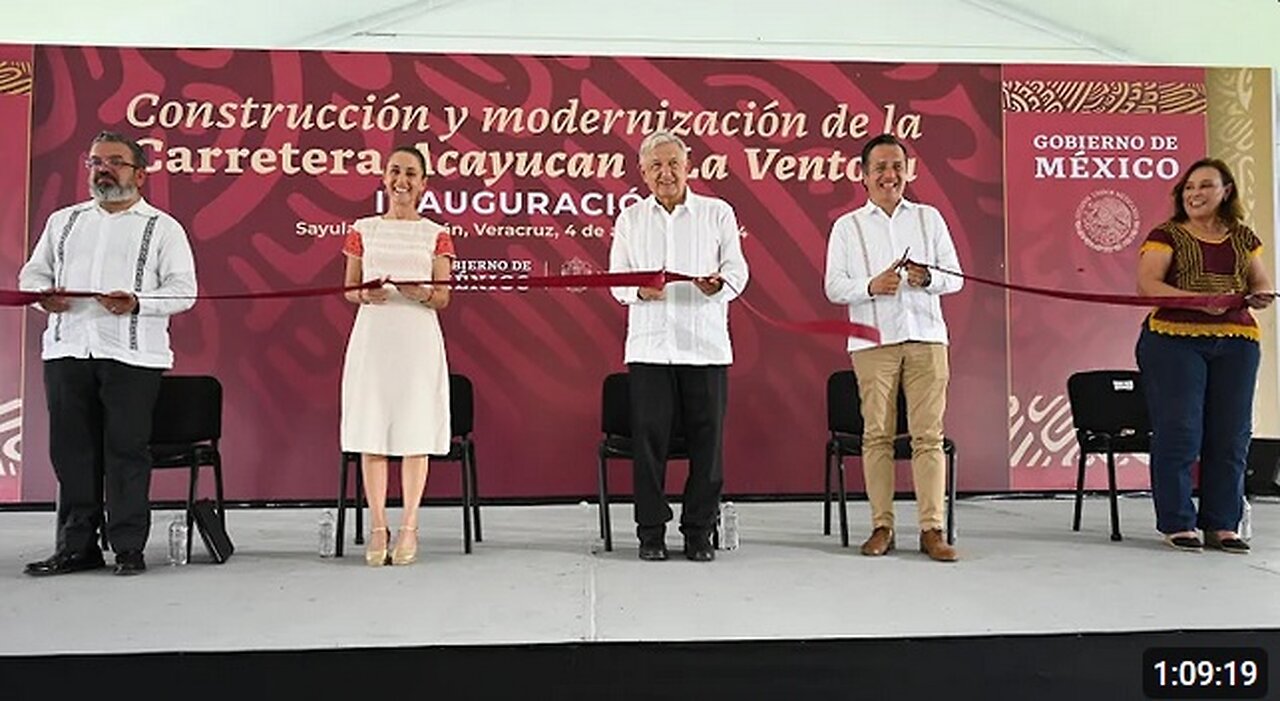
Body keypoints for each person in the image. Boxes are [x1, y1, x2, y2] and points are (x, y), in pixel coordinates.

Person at [19, 130, 197, 576]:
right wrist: (45, 296)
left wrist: (137, 301)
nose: (103, 169)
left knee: (126, 452)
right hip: (67, 349)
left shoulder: (162, 227)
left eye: (115, 161)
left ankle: (128, 546)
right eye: (96, 161)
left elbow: (184, 290)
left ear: (139, 173)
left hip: (132, 356)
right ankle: (76, 546)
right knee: (72, 453)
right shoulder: (64, 222)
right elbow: (32, 274)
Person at [609, 130, 749, 562]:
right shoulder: (631, 218)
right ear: (643, 173)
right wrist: (638, 291)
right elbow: (618, 280)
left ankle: (698, 532)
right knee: (649, 446)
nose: (665, 173)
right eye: (656, 166)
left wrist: (718, 286)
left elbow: (738, 273)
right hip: (650, 349)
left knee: (708, 446)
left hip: (705, 347)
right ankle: (651, 533)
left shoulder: (717, 212)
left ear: (689, 166)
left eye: (673, 164)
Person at [823, 133, 964, 562]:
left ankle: (932, 530)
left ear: (908, 171)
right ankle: (882, 526)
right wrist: (871, 286)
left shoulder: (928, 218)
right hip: (873, 342)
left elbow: (954, 277)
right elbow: (833, 287)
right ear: (862, 175)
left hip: (926, 337)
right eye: (880, 167)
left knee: (928, 437)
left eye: (897, 166)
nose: (890, 175)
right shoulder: (847, 226)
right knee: (877, 436)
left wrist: (928, 279)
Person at [1136, 157, 1272, 554]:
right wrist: (1199, 302)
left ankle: (1222, 524)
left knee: (1231, 434)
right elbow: (1147, 285)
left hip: (1237, 340)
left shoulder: (1243, 237)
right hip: (1174, 340)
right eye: (1189, 187)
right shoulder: (1167, 234)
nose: (1194, 193)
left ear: (1226, 191)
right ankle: (1178, 522)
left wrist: (1260, 296)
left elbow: (1260, 281)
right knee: (1180, 431)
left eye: (1205, 186)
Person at [340, 145, 454, 567]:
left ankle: (409, 526)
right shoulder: (363, 229)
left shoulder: (435, 232)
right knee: (373, 427)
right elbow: (349, 289)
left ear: (424, 183)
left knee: (413, 431)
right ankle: (377, 526)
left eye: (410, 173)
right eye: (394, 172)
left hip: (417, 339)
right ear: (384, 179)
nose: (401, 180)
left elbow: (442, 297)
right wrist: (365, 294)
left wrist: (419, 292)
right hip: (374, 337)